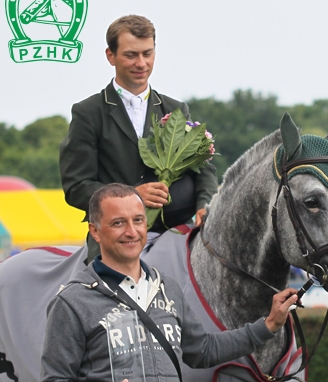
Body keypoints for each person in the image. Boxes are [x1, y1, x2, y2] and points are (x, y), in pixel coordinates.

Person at [38, 184, 298, 382]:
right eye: (118, 222)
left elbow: (202, 350)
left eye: (137, 220)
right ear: (95, 231)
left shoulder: (168, 289)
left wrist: (266, 326)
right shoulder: (74, 300)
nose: (131, 231)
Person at [60, 15, 218, 262]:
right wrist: (131, 197)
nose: (141, 63)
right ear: (110, 56)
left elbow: (203, 170)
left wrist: (205, 205)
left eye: (148, 53)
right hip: (114, 242)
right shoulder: (87, 113)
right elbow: (76, 187)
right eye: (131, 55)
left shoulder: (176, 109)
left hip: (175, 235)